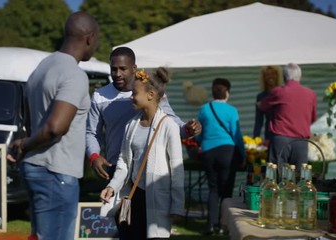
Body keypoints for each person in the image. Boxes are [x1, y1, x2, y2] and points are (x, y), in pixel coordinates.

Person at [7, 11, 99, 240]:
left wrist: (26, 144)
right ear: (89, 38)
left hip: (34, 168)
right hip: (56, 173)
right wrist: (27, 143)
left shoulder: (40, 69)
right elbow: (55, 127)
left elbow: (29, 120)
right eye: (97, 40)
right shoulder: (74, 75)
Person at [86, 46, 201, 181]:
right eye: (113, 69)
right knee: (118, 203)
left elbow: (171, 122)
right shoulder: (100, 96)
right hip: (117, 168)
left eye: (123, 69)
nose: (117, 74)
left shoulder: (151, 92)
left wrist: (188, 129)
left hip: (150, 167)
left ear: (134, 68)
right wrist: (94, 156)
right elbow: (92, 133)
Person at [100, 68, 184, 239]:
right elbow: (123, 161)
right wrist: (112, 186)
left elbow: (177, 169)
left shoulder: (169, 126)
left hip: (157, 200)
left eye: (135, 92)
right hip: (133, 197)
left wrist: (177, 206)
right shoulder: (131, 125)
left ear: (151, 95)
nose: (131, 96)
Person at [194, 78, 245, 235]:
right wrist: (243, 154)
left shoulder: (204, 109)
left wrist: (202, 143)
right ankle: (224, 226)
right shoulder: (232, 111)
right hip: (227, 152)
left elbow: (197, 134)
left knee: (213, 189)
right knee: (227, 190)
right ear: (227, 93)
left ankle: (210, 225)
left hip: (208, 152)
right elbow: (237, 136)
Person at [259, 63, 317, 170]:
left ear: (284, 77)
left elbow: (262, 106)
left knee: (275, 177)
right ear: (300, 77)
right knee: (300, 179)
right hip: (301, 142)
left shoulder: (278, 92)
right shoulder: (311, 94)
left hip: (280, 140)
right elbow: (313, 119)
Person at [253, 66, 282, 141]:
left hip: (283, 132)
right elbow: (258, 121)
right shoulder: (261, 96)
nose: (270, 76)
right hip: (269, 133)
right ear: (264, 77)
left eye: (273, 74)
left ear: (277, 76)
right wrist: (255, 139)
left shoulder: (283, 93)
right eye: (267, 74)